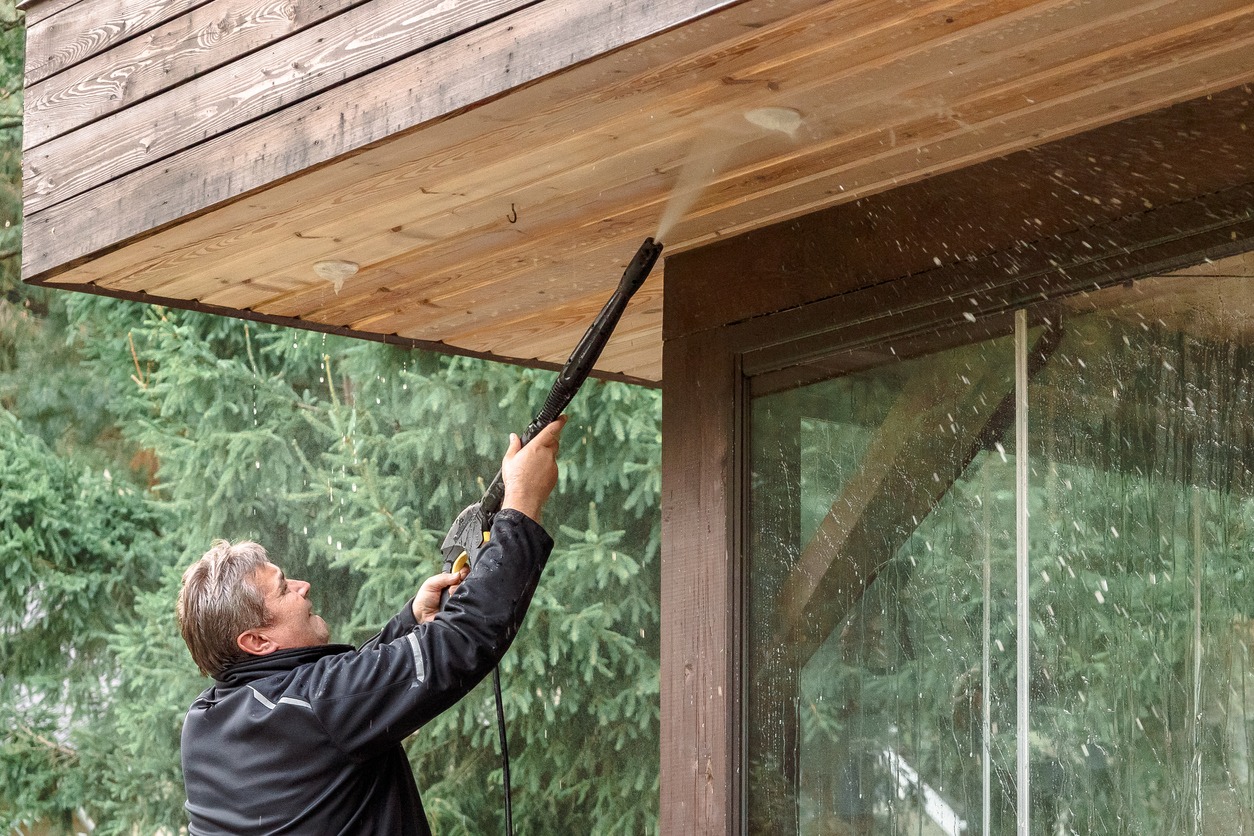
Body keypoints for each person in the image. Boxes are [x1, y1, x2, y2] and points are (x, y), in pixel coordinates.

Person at [176, 417, 566, 835]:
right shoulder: (315, 706)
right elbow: (464, 639)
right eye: (284, 588)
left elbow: (332, 705)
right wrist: (522, 504)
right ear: (256, 640)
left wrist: (411, 621)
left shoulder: (203, 724)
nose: (304, 588)